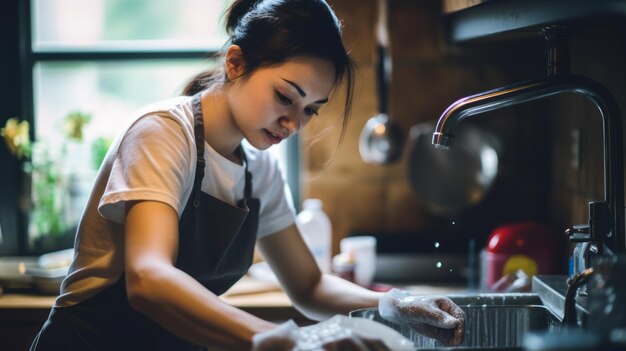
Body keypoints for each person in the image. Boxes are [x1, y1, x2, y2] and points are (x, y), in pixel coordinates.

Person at [30, 0, 465, 350]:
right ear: (236, 63)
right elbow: (148, 280)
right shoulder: (163, 134)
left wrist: (392, 303)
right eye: (285, 97)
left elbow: (309, 286)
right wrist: (279, 337)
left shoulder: (259, 171)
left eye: (310, 109)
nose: (293, 124)